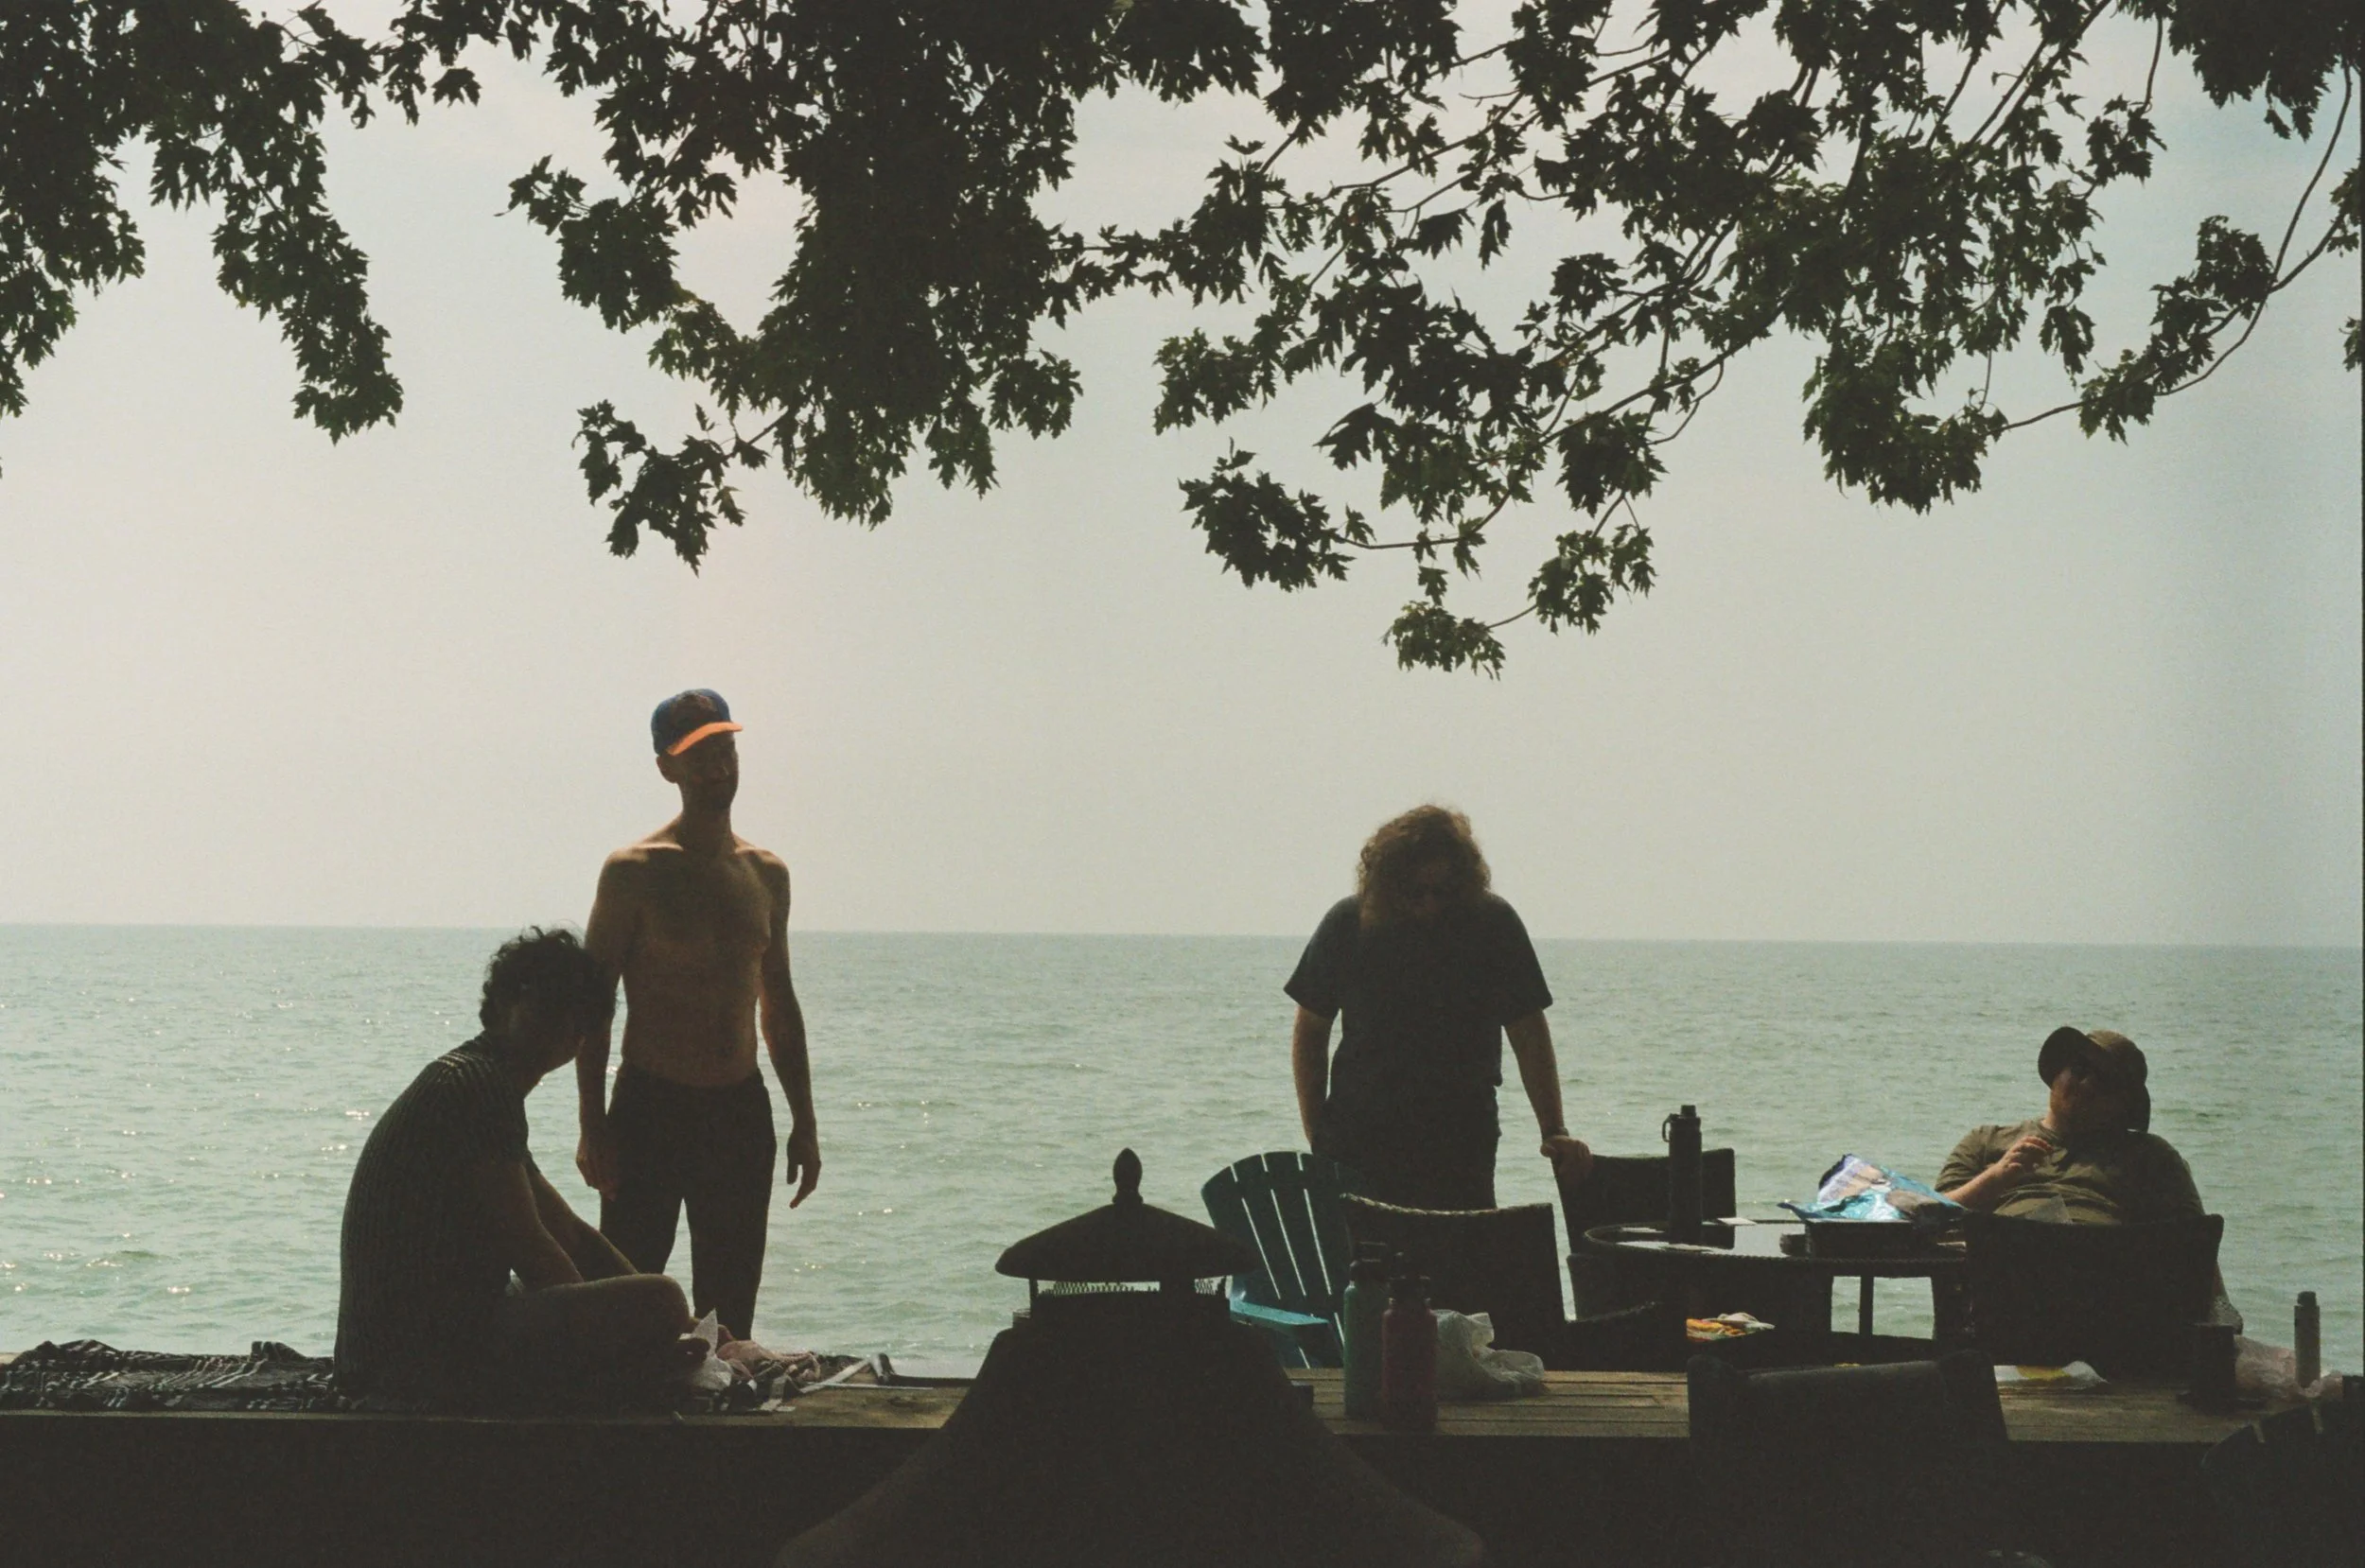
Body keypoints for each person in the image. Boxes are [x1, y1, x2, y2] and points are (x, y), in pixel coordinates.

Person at [336, 928, 695, 1406]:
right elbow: (532, 1250)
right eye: (546, 1003)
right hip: (412, 1361)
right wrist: (615, 1331)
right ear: (505, 1003)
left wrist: (680, 1325)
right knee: (661, 1299)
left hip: (396, 1349)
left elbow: (569, 1231)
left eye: (574, 1010)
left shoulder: (478, 1080)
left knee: (658, 1304)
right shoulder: (477, 1086)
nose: (562, 1020)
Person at [574, 688, 818, 1343]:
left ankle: (719, 1402)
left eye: (725, 750)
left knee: (729, 1312)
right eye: (699, 755)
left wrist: (805, 1121)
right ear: (667, 768)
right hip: (649, 1109)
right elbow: (593, 1008)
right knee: (626, 1300)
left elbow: (779, 1005)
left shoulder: (766, 875)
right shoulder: (633, 873)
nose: (717, 767)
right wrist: (592, 1124)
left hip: (738, 1113)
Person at [1286, 805, 1593, 1210]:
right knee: (1368, 1250)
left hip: (1461, 1139)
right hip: (1360, 1138)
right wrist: (1317, 1133)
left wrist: (1553, 1129)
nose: (1430, 904)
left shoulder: (1493, 925)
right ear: (1390, 883)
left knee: (1462, 1248)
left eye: (1442, 892)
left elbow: (1528, 1032)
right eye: (1416, 892)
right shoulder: (1348, 924)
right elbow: (1310, 1032)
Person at [1936, 1026, 2204, 1225]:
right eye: (2080, 1069)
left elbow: (2196, 1244)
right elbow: (1929, 1215)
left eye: (2105, 1081)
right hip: (2003, 1265)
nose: (2087, 1084)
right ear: (2057, 1071)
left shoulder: (2150, 1156)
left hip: (2105, 1270)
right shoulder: (1986, 1141)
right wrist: (1995, 1177)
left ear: (2123, 1104)